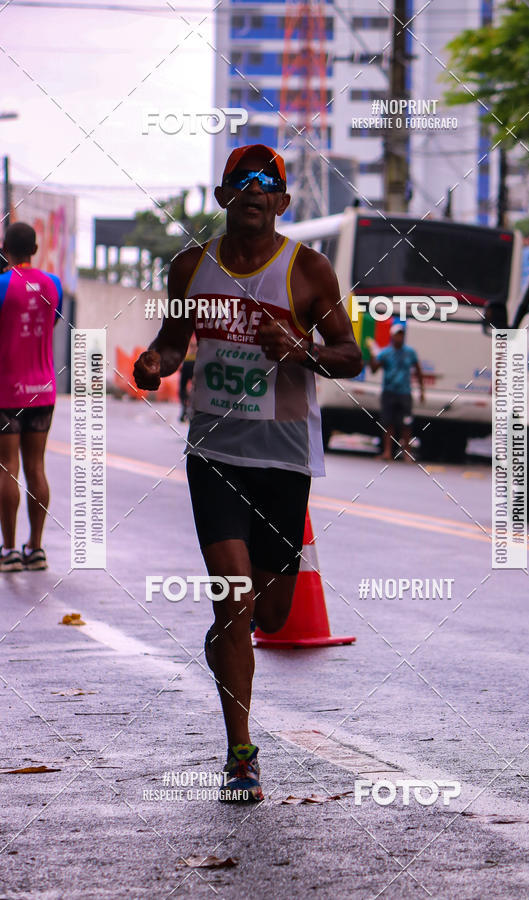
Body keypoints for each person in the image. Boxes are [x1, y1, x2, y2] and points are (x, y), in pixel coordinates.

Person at [133, 144, 362, 802]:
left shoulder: (308, 270)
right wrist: (156, 363)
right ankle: (240, 755)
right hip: (216, 455)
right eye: (243, 181)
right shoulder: (189, 269)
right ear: (223, 195)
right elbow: (174, 344)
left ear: (283, 202)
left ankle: (228, 644)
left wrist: (304, 348)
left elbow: (349, 355)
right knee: (232, 600)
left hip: (285, 459)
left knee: (270, 612)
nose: (255, 191)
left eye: (269, 183)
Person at [0, 222, 63, 571]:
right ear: (35, 250)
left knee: (7, 469)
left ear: (4, 248)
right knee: (36, 467)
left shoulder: (2, 285)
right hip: (42, 389)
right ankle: (36, 549)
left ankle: (8, 551)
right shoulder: (53, 285)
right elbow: (52, 322)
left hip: (6, 388)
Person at [367, 322, 424, 462]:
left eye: (401, 335)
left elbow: (418, 370)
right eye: (397, 335)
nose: (399, 338)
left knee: (406, 424)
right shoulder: (386, 353)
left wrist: (422, 390)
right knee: (388, 423)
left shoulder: (410, 352)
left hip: (404, 392)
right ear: (392, 336)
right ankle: (387, 452)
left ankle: (406, 453)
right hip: (389, 392)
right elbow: (374, 369)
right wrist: (373, 355)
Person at [178, 333, 197, 422]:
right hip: (188, 362)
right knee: (183, 389)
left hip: (194, 362)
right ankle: (184, 410)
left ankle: (189, 411)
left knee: (194, 389)